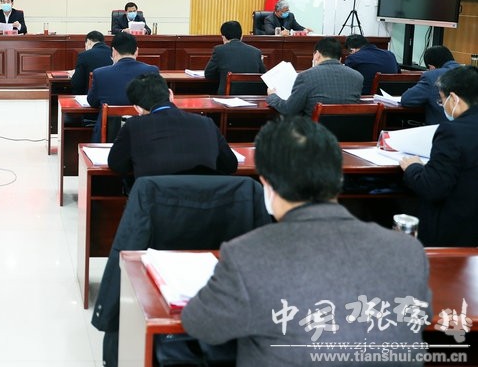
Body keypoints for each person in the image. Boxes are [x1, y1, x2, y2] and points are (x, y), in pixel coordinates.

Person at [181, 117, 430, 366]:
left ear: (266, 183)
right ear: (339, 177)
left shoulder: (245, 256)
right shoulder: (407, 250)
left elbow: (200, 324)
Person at [400, 65, 478, 246]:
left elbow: (432, 187)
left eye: (442, 101)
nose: (443, 106)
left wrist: (413, 167)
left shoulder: (452, 131)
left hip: (456, 234)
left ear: (454, 98)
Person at [108, 74, 237, 180]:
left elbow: (117, 165)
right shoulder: (206, 123)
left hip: (155, 202)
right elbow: (230, 165)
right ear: (171, 94)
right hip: (205, 201)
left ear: (138, 108)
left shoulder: (133, 126)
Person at [87, 32, 159, 141]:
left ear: (114, 51)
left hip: (109, 137)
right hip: (144, 135)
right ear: (137, 51)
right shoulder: (152, 71)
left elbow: (92, 102)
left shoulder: (100, 73)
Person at [266, 37, 362, 117]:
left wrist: (272, 96)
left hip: (314, 133)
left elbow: (289, 109)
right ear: (340, 59)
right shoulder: (358, 77)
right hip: (348, 133)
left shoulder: (306, 76)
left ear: (317, 55)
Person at [401, 45, 461, 125]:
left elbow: (407, 100)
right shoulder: (471, 73)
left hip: (441, 130)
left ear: (431, 67)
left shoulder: (432, 76)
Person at [203, 20, 267, 95]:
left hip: (227, 98)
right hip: (252, 98)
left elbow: (208, 75)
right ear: (241, 36)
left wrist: (223, 75)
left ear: (223, 37)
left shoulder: (219, 50)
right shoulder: (256, 51)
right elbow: (264, 74)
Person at [70, 31, 113, 95]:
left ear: (89, 42)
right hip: (111, 94)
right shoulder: (113, 53)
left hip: (90, 96)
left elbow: (77, 83)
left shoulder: (84, 55)